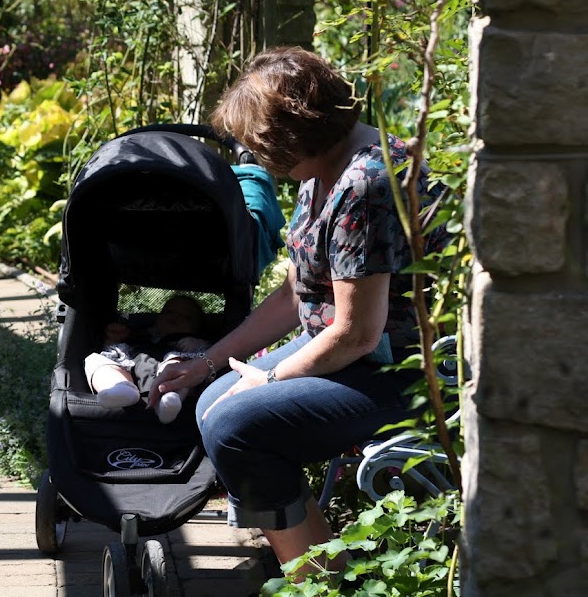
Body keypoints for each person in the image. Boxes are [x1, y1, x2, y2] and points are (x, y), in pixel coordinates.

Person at [146, 46, 445, 578]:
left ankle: (316, 583)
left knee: (236, 425)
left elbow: (357, 334)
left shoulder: (366, 184)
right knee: (211, 401)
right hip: (345, 352)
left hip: (400, 370)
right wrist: (206, 363)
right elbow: (296, 293)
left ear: (290, 137)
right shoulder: (321, 169)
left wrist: (269, 380)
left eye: (260, 145)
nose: (259, 158)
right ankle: (324, 568)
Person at [86, 295, 210, 424]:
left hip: (167, 370)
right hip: (130, 367)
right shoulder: (140, 334)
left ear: (198, 327)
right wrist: (113, 339)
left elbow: (209, 360)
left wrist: (198, 343)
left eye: (186, 317)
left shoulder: (193, 343)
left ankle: (168, 401)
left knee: (178, 365)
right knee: (96, 360)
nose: (176, 317)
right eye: (169, 312)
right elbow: (112, 352)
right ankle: (120, 388)